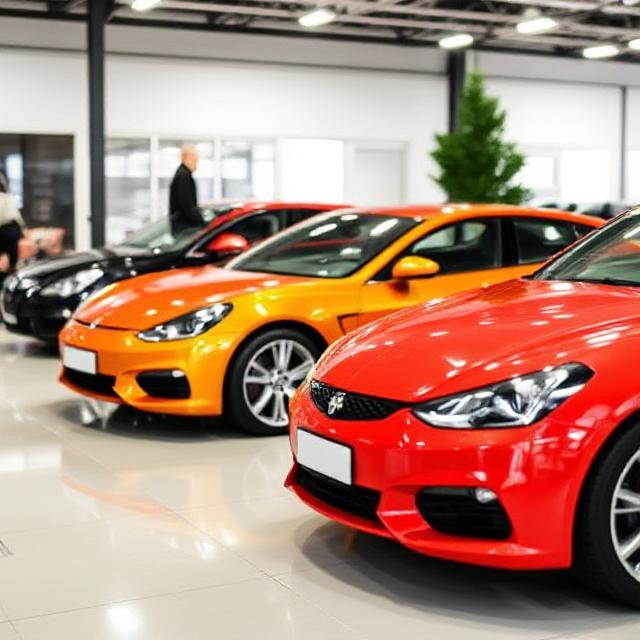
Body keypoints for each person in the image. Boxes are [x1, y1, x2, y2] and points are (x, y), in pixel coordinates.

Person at [169, 144, 205, 236]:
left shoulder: (180, 174)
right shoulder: (184, 176)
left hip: (180, 227)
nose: (196, 164)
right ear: (184, 159)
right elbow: (187, 205)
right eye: (193, 160)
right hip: (185, 229)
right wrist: (202, 223)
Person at [0, 173, 25, 271]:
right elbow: (18, 217)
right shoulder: (8, 197)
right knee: (12, 256)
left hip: (4, 230)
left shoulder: (4, 197)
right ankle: (12, 268)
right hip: (14, 230)